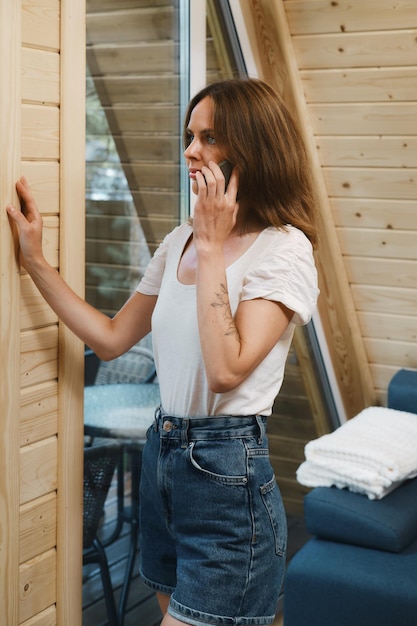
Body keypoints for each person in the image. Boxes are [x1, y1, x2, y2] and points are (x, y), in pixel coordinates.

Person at [7, 78, 319, 626]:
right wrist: (34, 261)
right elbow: (109, 338)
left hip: (228, 478)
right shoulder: (178, 241)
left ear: (253, 147)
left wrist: (214, 245)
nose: (190, 150)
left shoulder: (285, 249)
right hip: (163, 460)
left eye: (209, 137)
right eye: (189, 135)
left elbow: (226, 370)